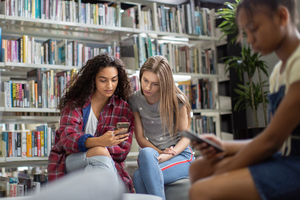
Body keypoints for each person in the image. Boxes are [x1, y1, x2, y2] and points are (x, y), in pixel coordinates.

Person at [189, 0, 300, 200]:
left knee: (202, 190)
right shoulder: (278, 72)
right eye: (245, 33)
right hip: (285, 155)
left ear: (282, 17)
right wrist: (223, 146)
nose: (249, 40)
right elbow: (278, 139)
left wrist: (226, 168)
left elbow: (272, 142)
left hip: (295, 164)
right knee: (199, 168)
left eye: (253, 29)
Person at [47, 54, 135, 192]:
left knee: (95, 168)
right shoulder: (76, 104)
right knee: (100, 151)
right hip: (71, 162)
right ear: (93, 79)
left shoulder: (123, 109)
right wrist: (100, 142)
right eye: (103, 80)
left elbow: (122, 150)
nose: (109, 85)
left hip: (106, 163)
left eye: (114, 80)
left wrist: (92, 146)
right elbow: (67, 139)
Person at [128, 55, 195, 200]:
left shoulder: (177, 100)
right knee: (145, 152)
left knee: (139, 177)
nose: (147, 87)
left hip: (180, 155)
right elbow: (140, 137)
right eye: (145, 80)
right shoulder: (135, 100)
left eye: (155, 84)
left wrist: (170, 153)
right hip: (155, 155)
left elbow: (186, 138)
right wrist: (160, 153)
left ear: (163, 84)